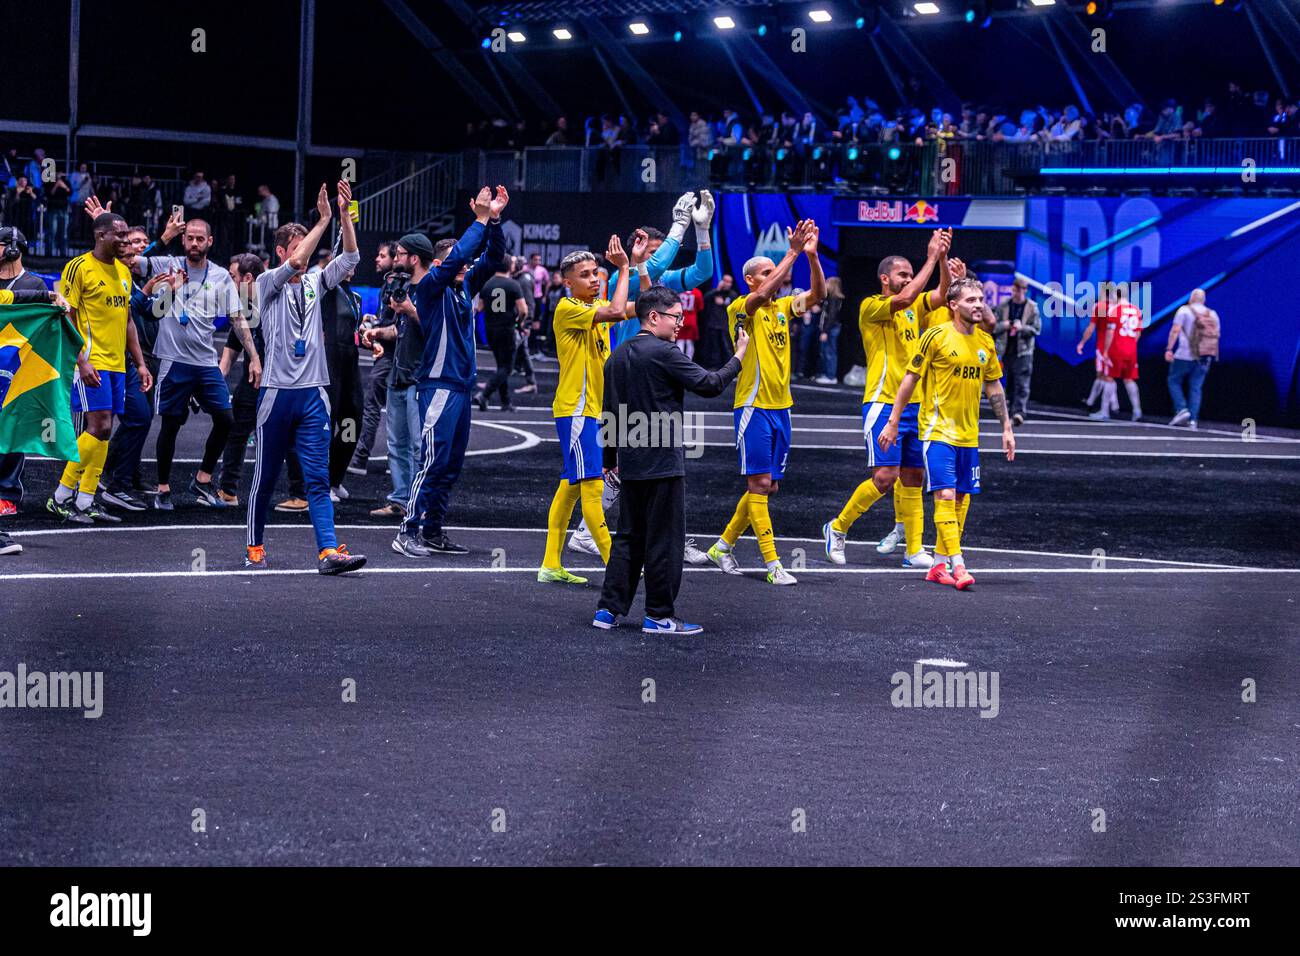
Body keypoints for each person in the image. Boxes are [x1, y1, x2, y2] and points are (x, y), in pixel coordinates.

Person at [594, 285, 747, 635]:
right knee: (664, 539)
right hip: (662, 458)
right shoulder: (665, 352)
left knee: (628, 537)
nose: (679, 323)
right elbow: (709, 385)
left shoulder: (616, 356)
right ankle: (659, 615)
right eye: (675, 316)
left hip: (630, 460)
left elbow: (609, 411)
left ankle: (608, 610)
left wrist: (609, 459)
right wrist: (738, 357)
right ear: (654, 317)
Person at [244, 181, 364, 575]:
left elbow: (350, 257)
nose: (307, 255)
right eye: (298, 246)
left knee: (318, 478)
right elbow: (297, 263)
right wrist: (323, 218)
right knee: (265, 477)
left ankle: (328, 552)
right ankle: (255, 546)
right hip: (278, 394)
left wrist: (344, 215)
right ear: (280, 252)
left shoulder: (315, 284)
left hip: (313, 394)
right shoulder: (267, 282)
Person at [391, 185, 509, 557]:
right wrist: (480, 217)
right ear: (442, 265)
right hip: (438, 385)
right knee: (432, 459)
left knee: (450, 465)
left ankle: (432, 529)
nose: (467, 266)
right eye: (459, 262)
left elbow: (494, 256)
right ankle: (406, 531)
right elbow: (463, 253)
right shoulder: (429, 288)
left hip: (460, 387)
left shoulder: (465, 286)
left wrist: (495, 222)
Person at [706, 218, 825, 586]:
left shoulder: (784, 307)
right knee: (758, 483)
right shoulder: (743, 306)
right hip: (753, 407)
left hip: (781, 407)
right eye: (768, 272)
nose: (777, 277)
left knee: (768, 486)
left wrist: (812, 257)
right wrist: (790, 253)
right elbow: (759, 298)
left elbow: (818, 295)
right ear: (752, 280)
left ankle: (722, 547)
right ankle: (773, 565)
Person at [823, 231, 951, 570]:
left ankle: (913, 549)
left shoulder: (913, 309)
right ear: (885, 279)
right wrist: (929, 258)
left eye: (910, 275)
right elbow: (909, 298)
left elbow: (940, 294)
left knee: (914, 475)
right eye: (902, 274)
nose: (908, 279)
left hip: (915, 404)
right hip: (882, 402)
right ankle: (837, 527)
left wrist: (941, 261)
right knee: (885, 476)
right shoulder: (871, 306)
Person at [878, 277, 1015, 590]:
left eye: (981, 299)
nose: (978, 304)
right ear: (953, 305)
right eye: (970, 300)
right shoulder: (935, 337)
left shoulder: (985, 343)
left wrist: (1006, 428)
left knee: (961, 500)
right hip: (937, 431)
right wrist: (893, 421)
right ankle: (959, 564)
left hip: (969, 435)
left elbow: (993, 385)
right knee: (946, 494)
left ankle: (938, 564)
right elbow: (910, 380)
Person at [119, 208, 258, 510]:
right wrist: (164, 238)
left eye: (200, 239)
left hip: (206, 363)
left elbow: (237, 318)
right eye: (189, 238)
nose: (194, 243)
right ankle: (163, 488)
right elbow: (127, 262)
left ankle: (203, 480)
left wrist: (254, 357)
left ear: (210, 241)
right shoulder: (167, 264)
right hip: (172, 360)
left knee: (226, 420)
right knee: (170, 425)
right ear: (183, 240)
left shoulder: (221, 276)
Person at [538, 235, 644, 584]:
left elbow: (636, 308)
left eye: (596, 272)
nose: (595, 278)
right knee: (593, 488)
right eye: (585, 275)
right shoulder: (570, 309)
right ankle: (618, 567)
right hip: (577, 410)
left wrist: (639, 267)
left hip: (589, 411)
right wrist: (624, 267)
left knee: (569, 487)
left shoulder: (591, 310)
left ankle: (551, 564)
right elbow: (617, 310)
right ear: (568, 283)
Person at [46, 212, 153, 524]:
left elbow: (129, 320)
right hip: (90, 361)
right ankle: (61, 496)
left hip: (117, 364)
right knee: (99, 426)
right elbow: (64, 314)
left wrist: (141, 364)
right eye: (119, 236)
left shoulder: (123, 271)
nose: (126, 242)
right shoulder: (78, 267)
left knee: (105, 433)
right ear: (101, 235)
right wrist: (81, 360)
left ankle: (85, 499)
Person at [0, 226, 58, 552]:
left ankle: (6, 493)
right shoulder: (34, 290)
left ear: (12, 248)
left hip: (15, 369)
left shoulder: (33, 282)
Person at [360, 243, 420, 519]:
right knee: (397, 442)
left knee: (417, 444)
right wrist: (377, 330)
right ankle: (400, 498)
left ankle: (419, 502)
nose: (393, 260)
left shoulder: (430, 289)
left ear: (415, 258)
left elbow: (429, 324)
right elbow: (397, 327)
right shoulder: (396, 285)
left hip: (418, 375)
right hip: (398, 369)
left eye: (397, 255)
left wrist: (408, 311)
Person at [216, 253, 266, 506]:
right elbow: (233, 346)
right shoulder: (243, 308)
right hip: (251, 382)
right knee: (236, 431)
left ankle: (300, 494)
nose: (229, 283)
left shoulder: (272, 301)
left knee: (288, 438)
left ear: (247, 278)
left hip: (277, 383)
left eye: (232, 278)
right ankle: (228, 490)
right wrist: (216, 380)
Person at [348, 241, 402, 476]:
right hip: (393, 354)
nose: (377, 259)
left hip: (392, 355)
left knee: (373, 405)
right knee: (395, 406)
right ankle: (398, 460)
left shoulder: (395, 283)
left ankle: (360, 458)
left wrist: (376, 330)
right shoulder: (390, 283)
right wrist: (375, 322)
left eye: (382, 256)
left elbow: (399, 326)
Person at [475, 257, 527, 412]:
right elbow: (523, 310)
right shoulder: (513, 284)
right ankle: (484, 394)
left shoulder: (488, 284)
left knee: (501, 366)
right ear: (510, 266)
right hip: (507, 329)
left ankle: (505, 402)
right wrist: (518, 322)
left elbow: (479, 308)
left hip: (491, 330)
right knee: (507, 368)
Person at [1166, 288, 1217, 429]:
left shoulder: (1184, 310)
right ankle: (1193, 419)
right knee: (1196, 387)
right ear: (1204, 300)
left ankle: (1181, 408)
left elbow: (1175, 330)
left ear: (1191, 298)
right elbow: (1216, 335)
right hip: (1205, 356)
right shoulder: (1213, 314)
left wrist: (1169, 348)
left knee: (1173, 380)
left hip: (1184, 354)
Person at [994, 276, 1041, 426]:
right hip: (1006, 349)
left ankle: (1019, 412)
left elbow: (1036, 329)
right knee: (1008, 382)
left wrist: (1022, 328)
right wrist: (1006, 325)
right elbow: (993, 326)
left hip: (1024, 351)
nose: (1018, 293)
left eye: (1021, 290)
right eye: (1016, 289)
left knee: (1022, 383)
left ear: (1025, 291)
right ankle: (1008, 409)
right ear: (1012, 289)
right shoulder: (1003, 306)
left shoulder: (1032, 307)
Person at [1100, 284, 1144, 421]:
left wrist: (1106, 350)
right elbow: (1138, 333)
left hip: (1117, 348)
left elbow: (1110, 332)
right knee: (1129, 379)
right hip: (1131, 349)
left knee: (1109, 377)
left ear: (1116, 295)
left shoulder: (1114, 310)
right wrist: (1130, 344)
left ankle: (1104, 411)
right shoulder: (1136, 310)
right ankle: (1137, 410)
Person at [1077, 286, 1117, 418]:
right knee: (1102, 376)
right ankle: (1091, 402)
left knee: (1106, 377)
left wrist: (1082, 343)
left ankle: (1108, 409)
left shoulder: (1100, 306)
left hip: (1103, 346)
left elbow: (1091, 328)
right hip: (1117, 346)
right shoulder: (1118, 307)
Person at [815, 275, 844, 384]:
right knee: (825, 351)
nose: (825, 285)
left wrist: (825, 331)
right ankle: (826, 373)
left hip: (832, 328)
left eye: (827, 283)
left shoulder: (835, 298)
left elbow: (832, 316)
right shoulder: (829, 298)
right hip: (830, 328)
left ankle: (830, 376)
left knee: (830, 352)